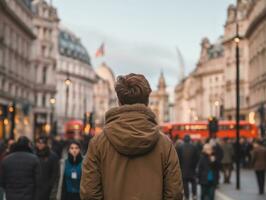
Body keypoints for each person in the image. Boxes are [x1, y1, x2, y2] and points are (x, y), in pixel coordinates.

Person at [80, 73, 183, 200]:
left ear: (119, 101)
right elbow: (175, 193)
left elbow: (89, 194)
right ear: (147, 101)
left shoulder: (98, 143)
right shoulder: (165, 144)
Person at [35, 135, 60, 200]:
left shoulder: (53, 156)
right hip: (35, 187)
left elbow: (55, 173)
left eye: (42, 142)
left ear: (46, 144)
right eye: (38, 142)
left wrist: (50, 185)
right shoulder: (33, 155)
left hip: (47, 188)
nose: (40, 144)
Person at [178, 135, 199, 200]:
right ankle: (194, 194)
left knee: (185, 183)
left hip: (183, 169)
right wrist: (195, 166)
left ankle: (187, 196)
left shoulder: (180, 147)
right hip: (192, 168)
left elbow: (178, 158)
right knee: (193, 182)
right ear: (190, 140)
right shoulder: (194, 147)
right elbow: (197, 158)